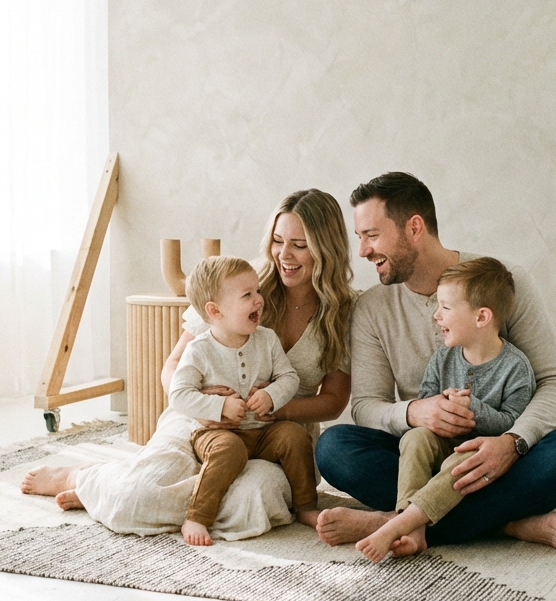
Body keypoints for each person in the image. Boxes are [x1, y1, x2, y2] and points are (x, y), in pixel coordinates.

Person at [21, 189, 354, 541]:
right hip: (198, 420)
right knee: (139, 497)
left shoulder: (343, 311)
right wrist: (205, 407)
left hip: (277, 436)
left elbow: (334, 401)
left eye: (299, 245)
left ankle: (117, 490)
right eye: (277, 241)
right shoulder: (237, 282)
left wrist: (276, 407)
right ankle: (92, 479)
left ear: (325, 247)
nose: (284, 255)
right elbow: (173, 366)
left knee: (251, 504)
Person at [315, 172, 556, 551]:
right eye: (360, 238)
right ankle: (504, 524)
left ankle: (396, 521)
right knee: (334, 447)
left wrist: (512, 443)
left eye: (371, 235)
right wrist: (415, 412)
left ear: (414, 228)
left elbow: (555, 383)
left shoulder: (502, 280)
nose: (363, 251)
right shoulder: (371, 308)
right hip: (422, 455)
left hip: (499, 456)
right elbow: (367, 406)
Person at [355, 257, 535, 562]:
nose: (436, 315)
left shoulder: (515, 367)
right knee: (412, 439)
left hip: (485, 460)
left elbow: (513, 424)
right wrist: (439, 407)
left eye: (445, 308)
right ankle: (412, 525)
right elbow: (427, 403)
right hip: (440, 448)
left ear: (481, 317)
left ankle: (399, 523)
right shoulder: (442, 358)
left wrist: (473, 409)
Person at [169, 255, 316, 545]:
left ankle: (306, 506)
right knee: (229, 449)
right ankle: (197, 517)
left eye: (257, 291)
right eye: (247, 295)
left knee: (295, 436)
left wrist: (271, 396)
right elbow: (178, 394)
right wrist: (220, 407)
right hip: (216, 433)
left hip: (263, 432)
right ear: (215, 310)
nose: (259, 300)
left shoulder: (267, 339)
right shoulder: (199, 350)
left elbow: (289, 377)